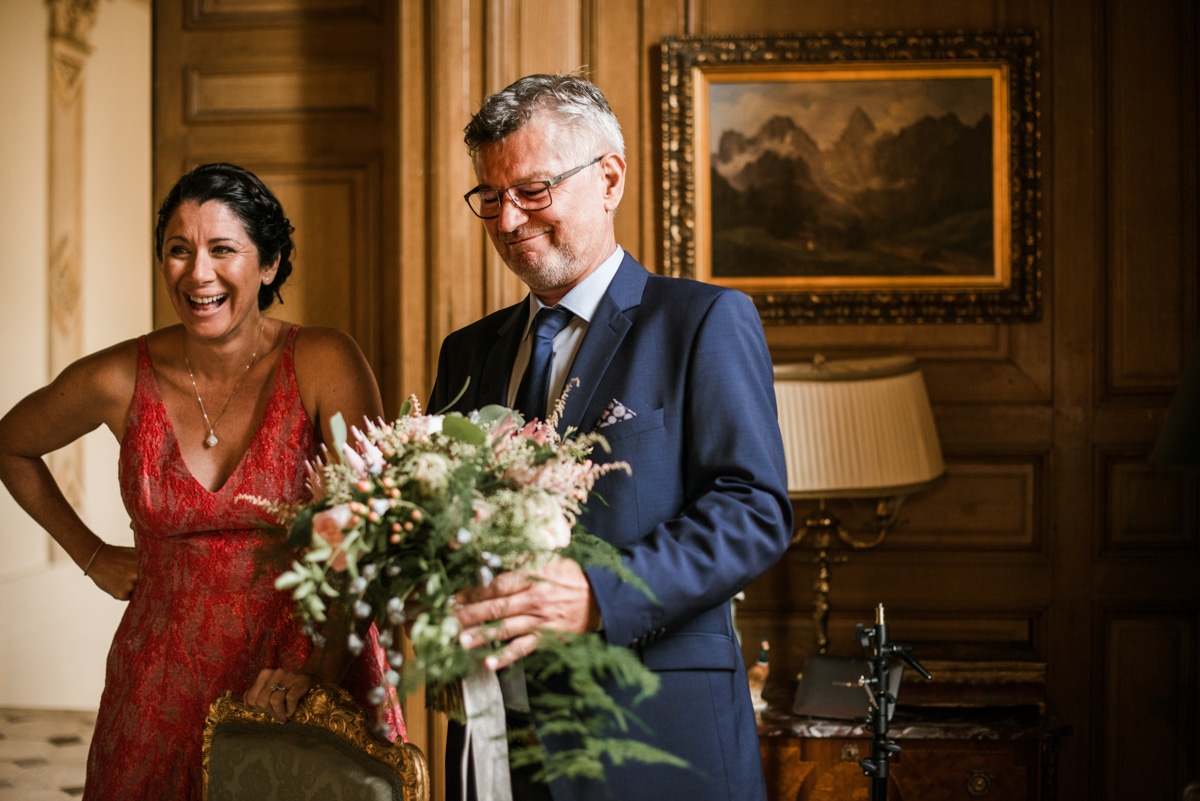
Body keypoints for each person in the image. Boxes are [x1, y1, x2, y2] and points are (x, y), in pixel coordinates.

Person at [429, 73, 793, 801]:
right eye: (491, 199)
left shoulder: (703, 322)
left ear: (610, 178)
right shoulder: (465, 353)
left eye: (533, 191)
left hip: (657, 742)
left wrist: (600, 593)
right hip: (496, 750)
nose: (507, 221)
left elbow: (754, 511)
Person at [0, 163, 404, 799]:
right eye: (178, 251)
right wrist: (92, 554)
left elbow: (372, 531)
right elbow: (12, 444)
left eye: (222, 250)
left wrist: (318, 675)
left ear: (268, 265)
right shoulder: (116, 377)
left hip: (303, 666)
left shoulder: (325, 360)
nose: (198, 273)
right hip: (158, 687)